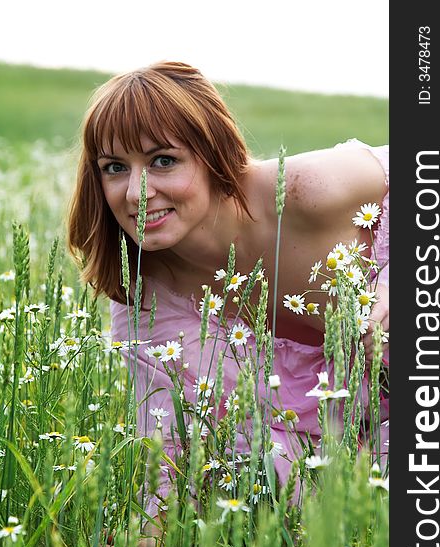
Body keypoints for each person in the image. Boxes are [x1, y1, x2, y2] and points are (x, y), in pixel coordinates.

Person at [67, 61, 389, 517]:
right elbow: (174, 447)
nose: (137, 194)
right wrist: (155, 530)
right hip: (343, 473)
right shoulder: (148, 304)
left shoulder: (306, 190)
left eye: (164, 161)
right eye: (115, 167)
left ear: (214, 152)